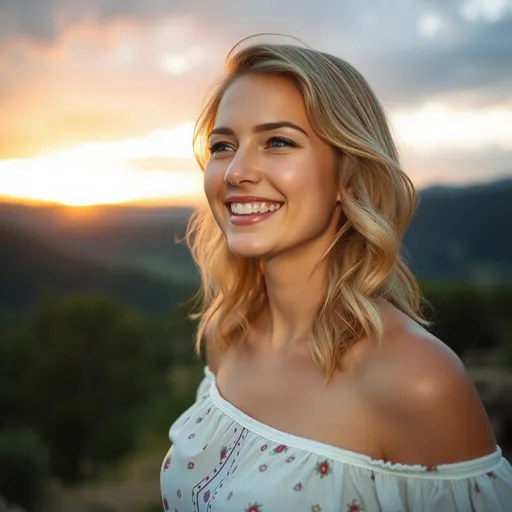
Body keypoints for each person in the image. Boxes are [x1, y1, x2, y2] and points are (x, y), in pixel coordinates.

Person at [160, 36, 512, 511]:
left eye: (278, 142)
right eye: (223, 145)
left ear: (348, 176)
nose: (236, 171)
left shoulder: (417, 379)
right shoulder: (229, 335)